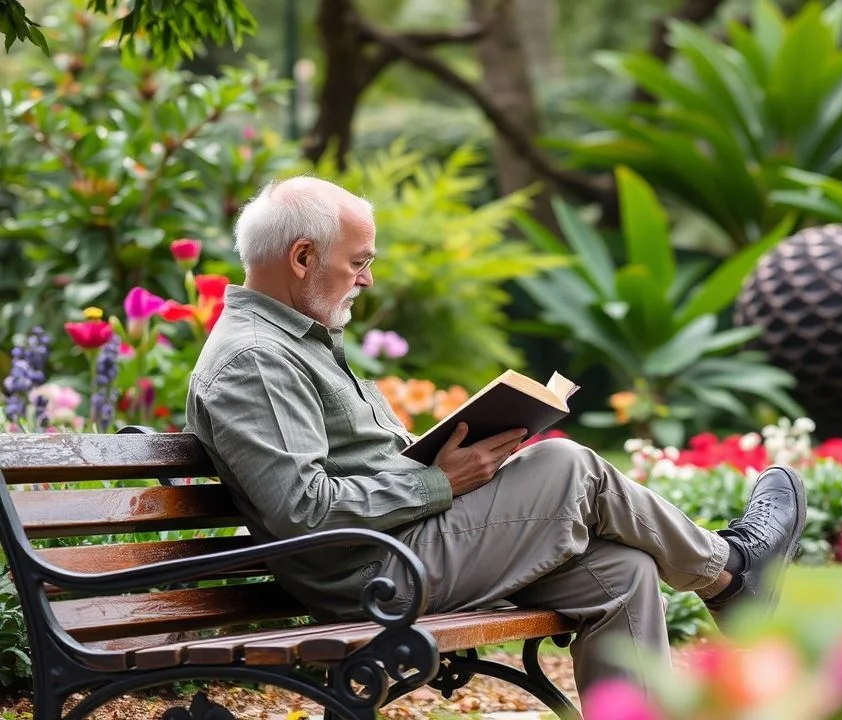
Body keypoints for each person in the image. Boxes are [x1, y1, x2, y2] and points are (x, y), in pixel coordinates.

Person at [184, 176, 806, 694]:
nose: (367, 279)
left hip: (402, 548)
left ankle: (723, 591)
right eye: (359, 262)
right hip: (372, 574)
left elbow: (353, 472)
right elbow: (304, 511)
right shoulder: (256, 361)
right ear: (302, 258)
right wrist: (436, 479)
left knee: (621, 573)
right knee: (569, 466)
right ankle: (730, 572)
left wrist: (452, 456)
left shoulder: (297, 344)